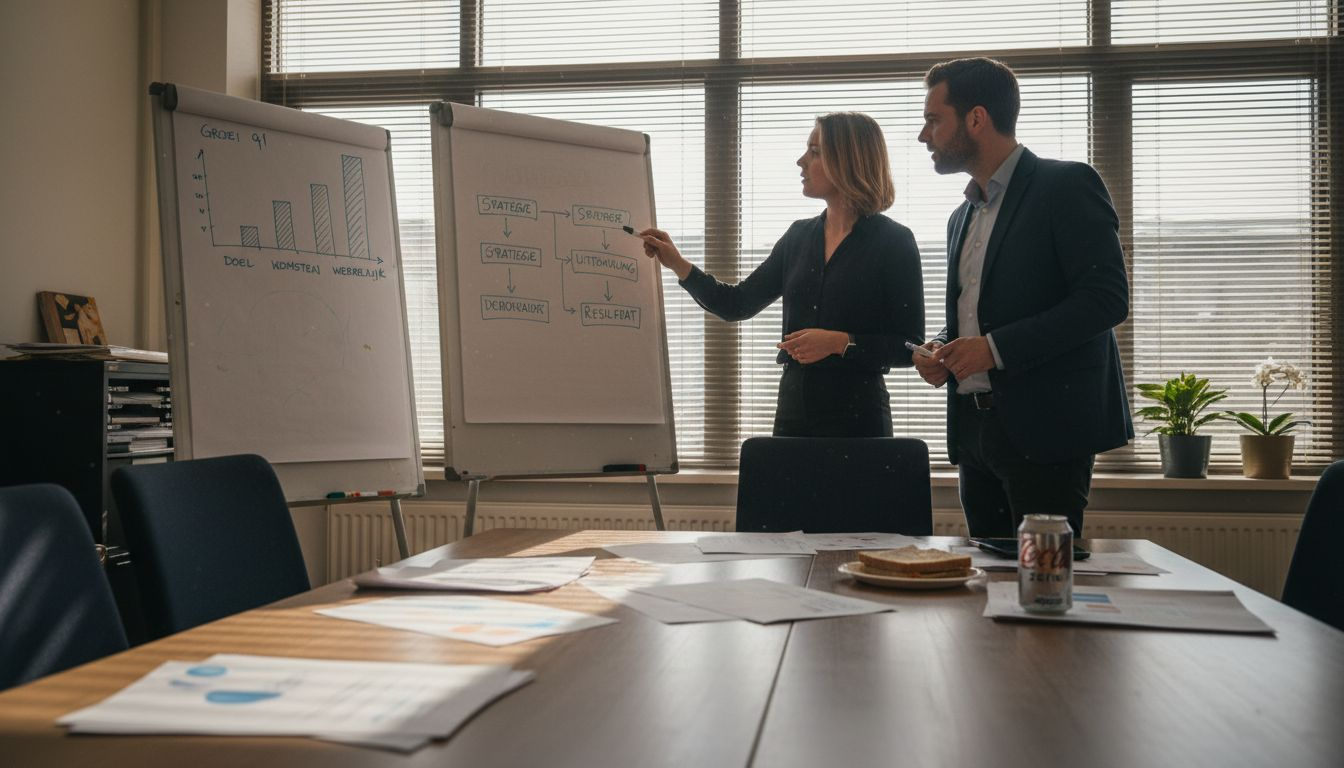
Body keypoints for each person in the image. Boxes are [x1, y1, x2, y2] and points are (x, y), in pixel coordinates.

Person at [912, 57, 1132, 537]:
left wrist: (991, 349)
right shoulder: (960, 216)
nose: (923, 135)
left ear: (976, 118)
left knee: (1042, 595)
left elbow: (1106, 298)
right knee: (983, 596)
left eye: (933, 119)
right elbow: (979, 314)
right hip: (974, 436)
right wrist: (942, 347)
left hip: (1047, 434)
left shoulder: (1066, 185)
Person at [639, 112, 924, 438]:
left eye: (815, 152)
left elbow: (910, 346)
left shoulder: (895, 241)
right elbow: (737, 304)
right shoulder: (798, 237)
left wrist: (841, 343)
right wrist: (677, 263)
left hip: (859, 419)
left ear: (848, 159)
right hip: (793, 413)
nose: (801, 161)